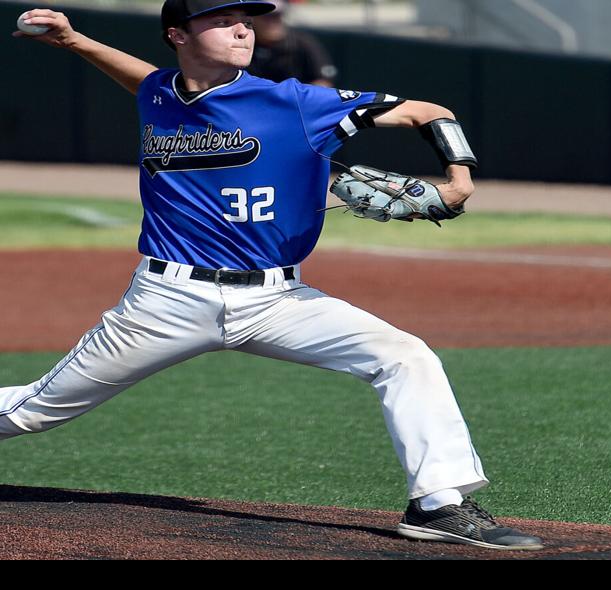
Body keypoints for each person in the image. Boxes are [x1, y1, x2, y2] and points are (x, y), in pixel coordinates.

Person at [3, 0, 544, 551]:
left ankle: (439, 505)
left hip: (278, 300)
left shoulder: (293, 101)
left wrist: (458, 179)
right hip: (166, 300)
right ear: (178, 35)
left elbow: (428, 111)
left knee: (406, 356)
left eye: (245, 19)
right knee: (34, 413)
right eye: (220, 19)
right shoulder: (161, 94)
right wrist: (72, 40)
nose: (242, 28)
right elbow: (145, 79)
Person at [246, 0, 336, 86]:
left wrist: (299, 98)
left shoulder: (301, 42)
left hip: (296, 99)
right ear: (254, 19)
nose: (272, 22)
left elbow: (323, 81)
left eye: (277, 16)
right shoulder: (246, 41)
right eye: (266, 16)